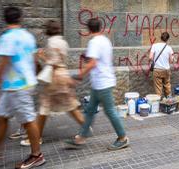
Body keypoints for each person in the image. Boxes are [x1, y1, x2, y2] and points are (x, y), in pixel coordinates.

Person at [0, 7, 45, 168]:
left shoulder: (6, 38)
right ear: (20, 18)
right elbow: (36, 59)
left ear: (5, 19)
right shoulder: (28, 36)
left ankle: (37, 155)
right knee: (1, 117)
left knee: (28, 120)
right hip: (15, 86)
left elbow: (2, 66)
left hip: (19, 86)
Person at [65, 18, 129, 150]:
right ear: (100, 27)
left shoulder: (94, 42)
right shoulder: (105, 40)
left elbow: (92, 63)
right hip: (100, 82)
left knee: (110, 111)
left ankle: (122, 138)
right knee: (89, 110)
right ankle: (81, 137)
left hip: (102, 83)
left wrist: (80, 75)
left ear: (88, 29)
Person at [19, 20, 85, 146]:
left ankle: (35, 138)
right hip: (63, 75)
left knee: (44, 108)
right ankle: (86, 128)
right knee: (70, 106)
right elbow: (60, 60)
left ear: (48, 30)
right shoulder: (63, 42)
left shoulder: (50, 42)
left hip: (54, 78)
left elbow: (52, 62)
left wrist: (40, 56)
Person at [149, 32, 174, 98]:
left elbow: (150, 57)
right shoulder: (169, 48)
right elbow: (171, 61)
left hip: (157, 69)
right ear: (167, 39)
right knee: (167, 85)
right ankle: (169, 100)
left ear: (161, 38)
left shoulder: (154, 45)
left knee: (158, 87)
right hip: (166, 69)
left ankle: (158, 102)